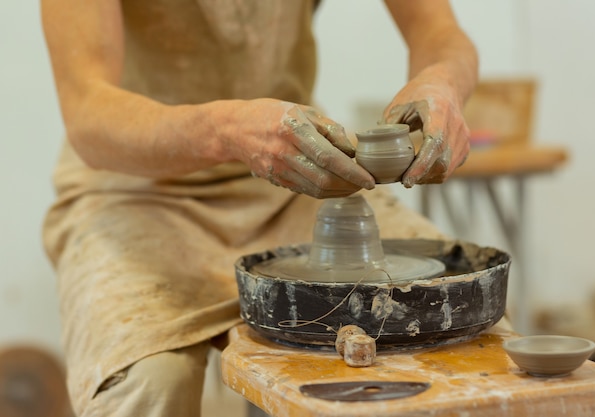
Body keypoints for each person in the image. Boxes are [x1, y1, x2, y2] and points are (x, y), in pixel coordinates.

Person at [40, 0, 478, 415]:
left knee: (462, 321)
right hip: (133, 189)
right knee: (151, 383)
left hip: (292, 182)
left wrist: (443, 80)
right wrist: (226, 130)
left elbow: (438, 30)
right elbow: (87, 111)